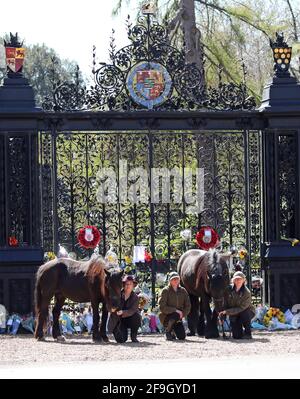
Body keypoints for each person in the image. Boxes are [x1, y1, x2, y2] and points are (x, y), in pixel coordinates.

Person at [219, 271, 255, 339]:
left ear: (244, 280)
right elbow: (225, 303)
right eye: (236, 279)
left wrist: (227, 311)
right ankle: (240, 332)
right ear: (233, 280)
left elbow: (242, 308)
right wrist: (222, 316)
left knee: (245, 312)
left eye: (240, 279)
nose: (238, 281)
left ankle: (248, 333)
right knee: (236, 336)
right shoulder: (228, 290)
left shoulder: (247, 292)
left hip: (246, 312)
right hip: (234, 313)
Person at [158, 271, 191, 341]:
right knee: (175, 314)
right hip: (166, 317)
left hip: (178, 318)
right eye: (173, 279)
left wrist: (182, 314)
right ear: (170, 281)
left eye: (177, 279)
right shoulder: (165, 291)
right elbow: (162, 307)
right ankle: (167, 331)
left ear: (179, 280)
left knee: (182, 337)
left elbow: (188, 306)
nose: (175, 280)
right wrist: (175, 310)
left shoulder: (183, 291)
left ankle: (173, 331)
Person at [110, 275, 141, 343]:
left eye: (130, 284)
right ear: (123, 285)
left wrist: (123, 312)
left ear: (133, 286)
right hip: (118, 320)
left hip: (129, 318)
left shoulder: (135, 297)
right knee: (121, 340)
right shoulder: (116, 294)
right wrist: (112, 309)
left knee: (137, 317)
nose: (128, 286)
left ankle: (133, 336)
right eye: (126, 284)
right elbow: (109, 306)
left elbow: (133, 310)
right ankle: (118, 331)